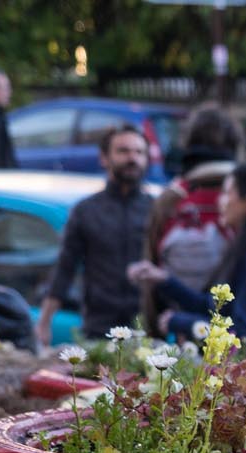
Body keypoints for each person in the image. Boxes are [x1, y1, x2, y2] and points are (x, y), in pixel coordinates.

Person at [129, 164, 246, 343]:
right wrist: (165, 280)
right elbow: (217, 306)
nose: (219, 201)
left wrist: (187, 324)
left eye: (227, 193)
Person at [36, 125, 153, 346]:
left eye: (139, 152)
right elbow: (65, 268)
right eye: (123, 151)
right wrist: (44, 322)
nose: (132, 158)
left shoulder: (155, 211)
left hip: (146, 331)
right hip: (99, 329)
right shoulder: (86, 210)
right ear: (104, 158)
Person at [138, 105, 242, 332]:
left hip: (176, 325)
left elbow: (151, 266)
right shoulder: (244, 198)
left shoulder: (172, 198)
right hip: (232, 329)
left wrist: (153, 330)